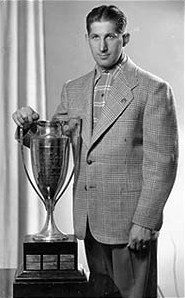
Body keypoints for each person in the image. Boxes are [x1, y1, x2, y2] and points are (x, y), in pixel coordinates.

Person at [12, 5, 178, 298]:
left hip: (130, 227)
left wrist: (146, 221)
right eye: (95, 37)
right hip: (89, 223)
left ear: (124, 38)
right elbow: (54, 141)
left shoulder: (152, 89)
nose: (102, 46)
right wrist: (28, 125)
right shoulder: (73, 89)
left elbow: (162, 162)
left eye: (110, 36)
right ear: (87, 38)